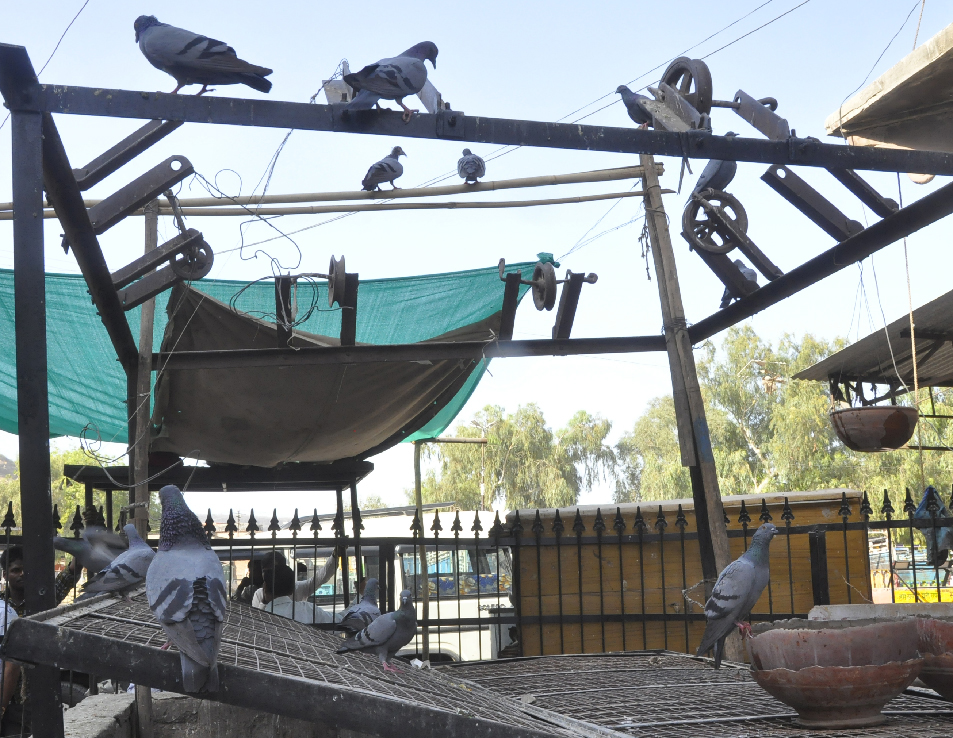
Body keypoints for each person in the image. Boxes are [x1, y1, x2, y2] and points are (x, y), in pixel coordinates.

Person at [252, 551, 338, 611]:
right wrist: (264, 601)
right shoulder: (259, 594)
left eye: (272, 571)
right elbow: (257, 622)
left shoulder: (298, 588)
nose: (267, 575)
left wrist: (335, 556)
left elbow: (321, 577)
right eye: (265, 571)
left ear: (283, 569)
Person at [259, 564, 333, 624]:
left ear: (265, 587)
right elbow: (339, 620)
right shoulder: (308, 610)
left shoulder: (260, 617)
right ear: (292, 590)